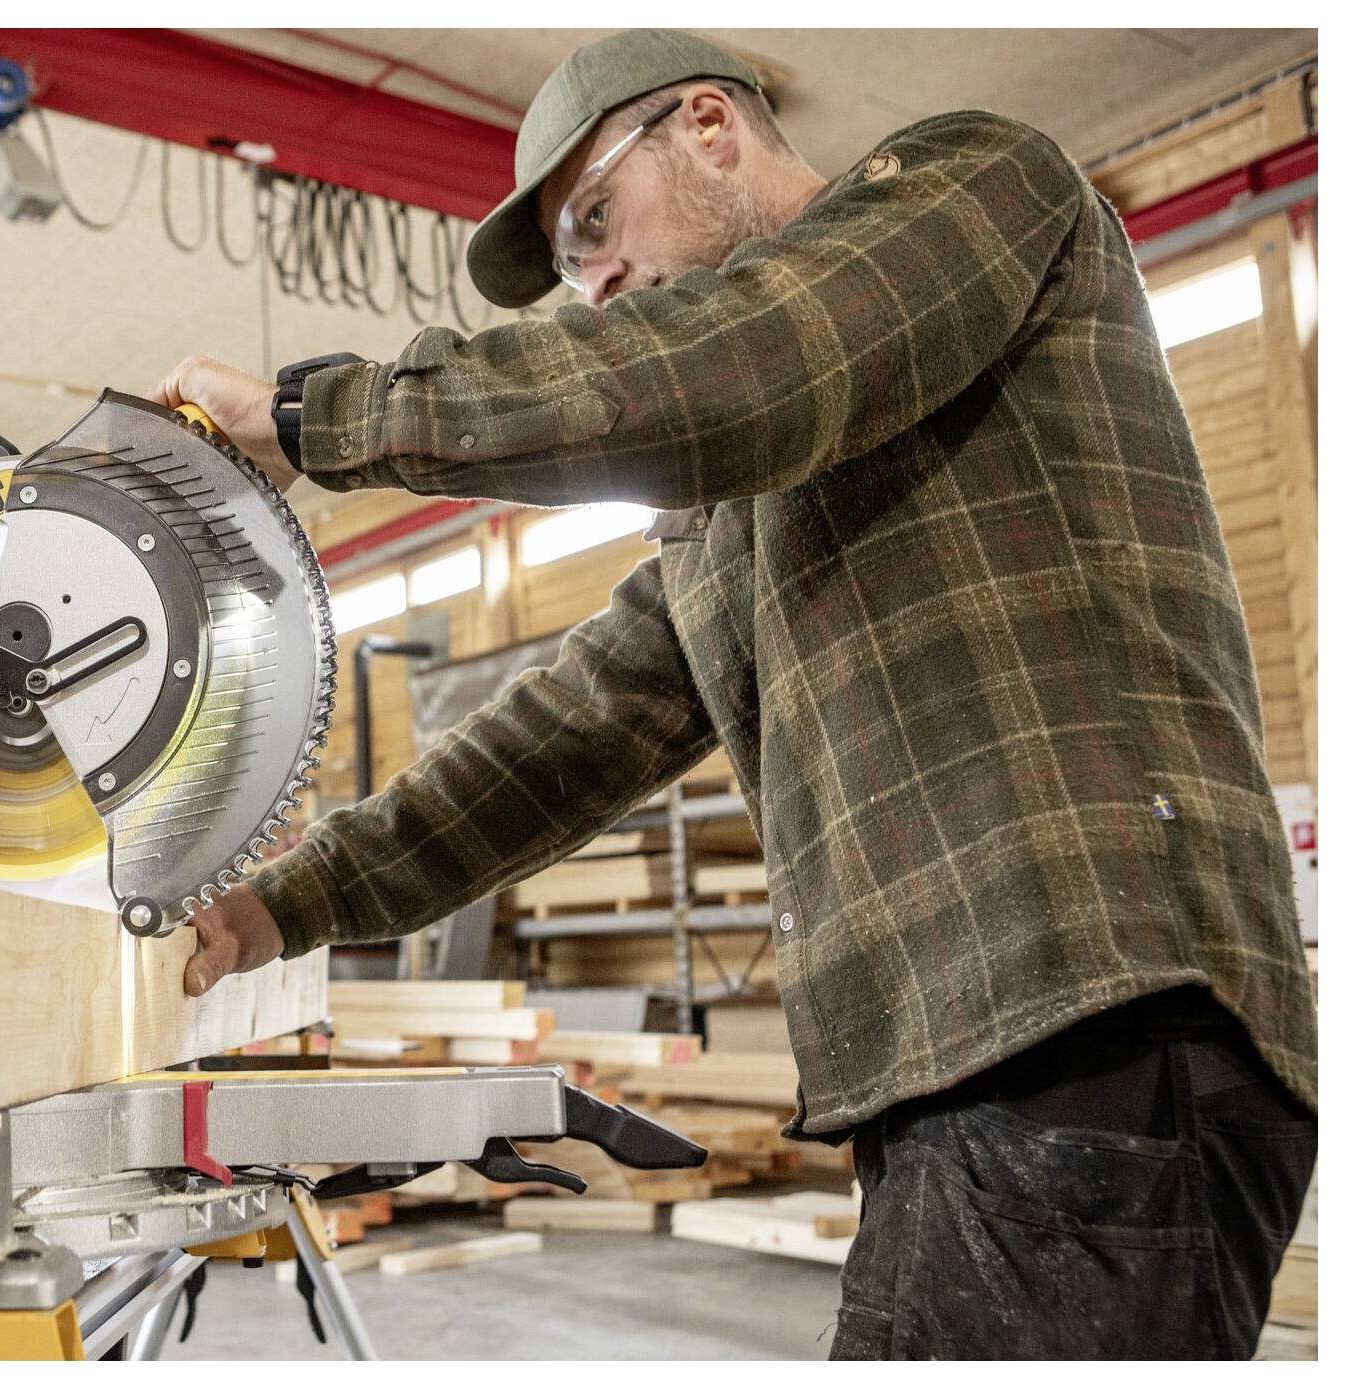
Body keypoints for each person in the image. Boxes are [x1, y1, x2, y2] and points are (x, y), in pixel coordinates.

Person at [152, 29, 1317, 1359]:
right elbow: (573, 728)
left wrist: (326, 417)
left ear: (711, 124)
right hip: (962, 1074)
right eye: (576, 271)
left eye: (595, 222)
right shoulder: (743, 505)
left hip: (1095, 1016)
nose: (597, 285)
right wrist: (282, 902)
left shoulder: (978, 185)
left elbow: (737, 359)